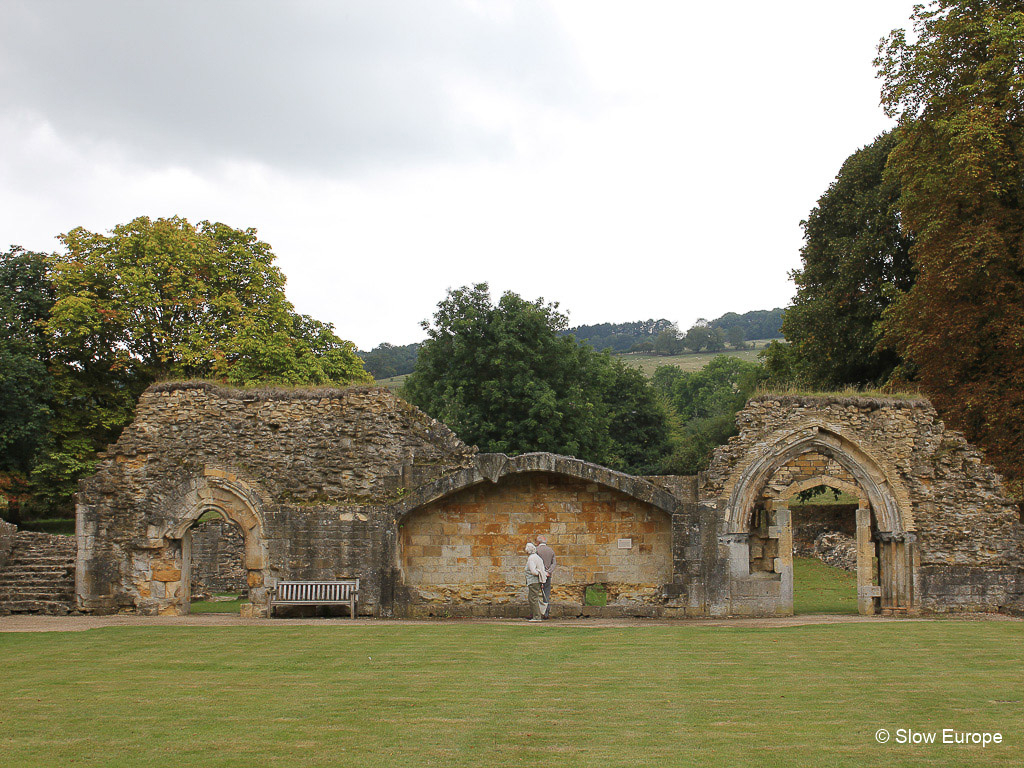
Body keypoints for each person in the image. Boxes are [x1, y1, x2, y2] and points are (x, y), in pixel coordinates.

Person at [524, 542, 547, 622]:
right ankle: (536, 615)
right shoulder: (538, 557)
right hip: (537, 581)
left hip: (533, 581)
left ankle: (537, 617)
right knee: (534, 598)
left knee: (533, 598)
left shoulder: (531, 558)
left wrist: (538, 573)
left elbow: (533, 571)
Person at [536, 535, 556, 619]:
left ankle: (536, 613)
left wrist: (541, 572)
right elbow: (554, 563)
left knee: (535, 594)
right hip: (548, 575)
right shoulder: (551, 550)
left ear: (538, 542)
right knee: (546, 593)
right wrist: (548, 572)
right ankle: (546, 613)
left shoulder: (536, 550)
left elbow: (536, 563)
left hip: (538, 574)